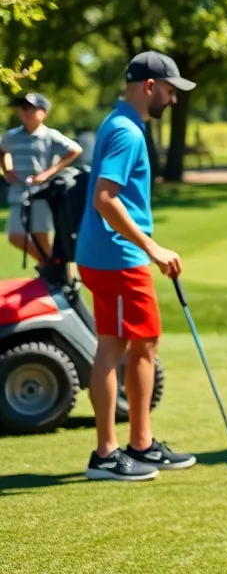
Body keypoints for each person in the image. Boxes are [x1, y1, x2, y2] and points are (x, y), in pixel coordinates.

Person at [77, 52, 196, 481]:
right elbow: (105, 199)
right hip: (118, 257)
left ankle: (136, 444)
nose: (173, 99)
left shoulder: (117, 121)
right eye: (169, 90)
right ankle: (113, 452)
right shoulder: (127, 132)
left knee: (120, 345)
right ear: (149, 86)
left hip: (102, 255)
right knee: (138, 343)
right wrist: (152, 247)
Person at [1, 93, 83, 268]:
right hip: (19, 192)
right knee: (15, 236)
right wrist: (7, 169)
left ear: (43, 112)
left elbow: (75, 150)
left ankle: (56, 272)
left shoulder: (49, 135)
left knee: (41, 237)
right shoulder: (12, 136)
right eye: (23, 108)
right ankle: (51, 266)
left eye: (30, 108)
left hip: (41, 193)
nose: (25, 112)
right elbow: (2, 150)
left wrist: (48, 173)